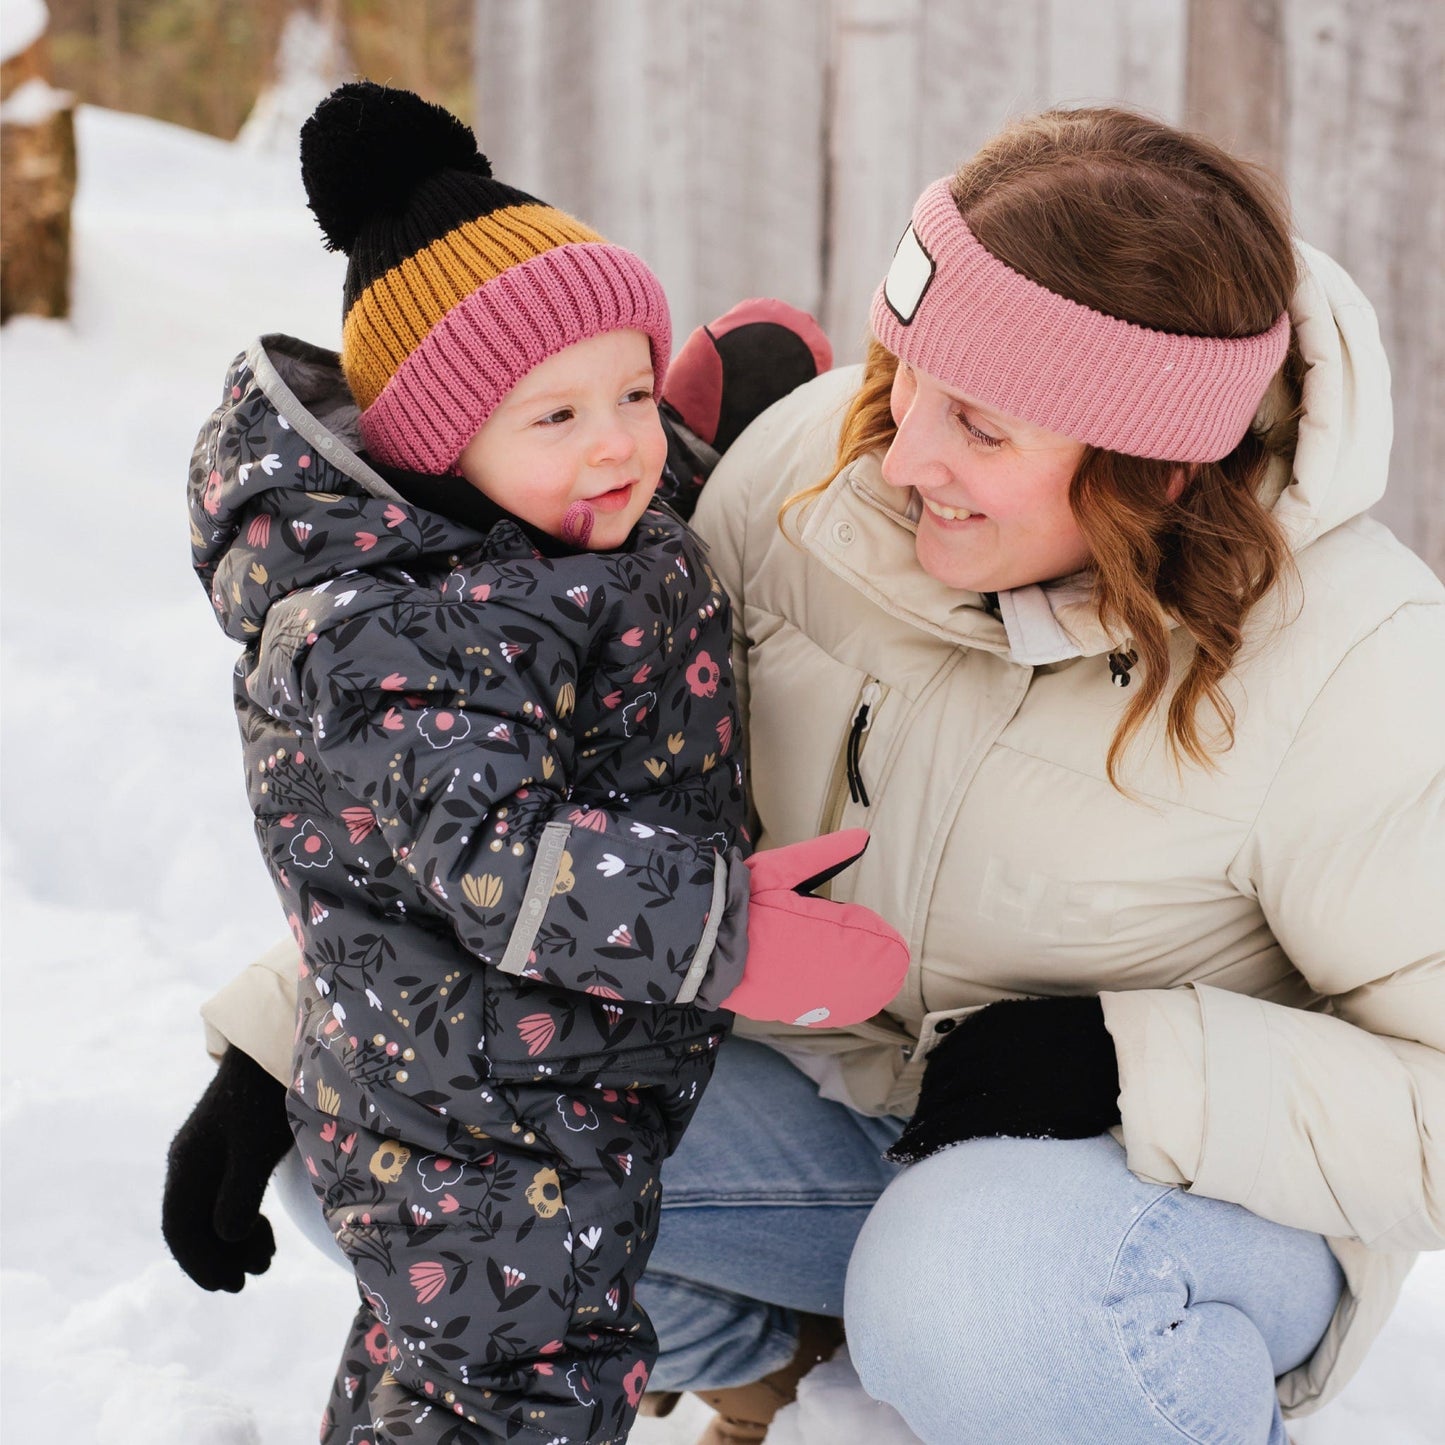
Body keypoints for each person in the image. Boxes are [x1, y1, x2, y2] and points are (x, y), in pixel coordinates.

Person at [171, 102, 1445, 1445]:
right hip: (839, 1121)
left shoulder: (1354, 664)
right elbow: (564, 803)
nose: (901, 456)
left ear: (1148, 461)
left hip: (1145, 1211)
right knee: (385, 1142)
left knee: (982, 1288)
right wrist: (286, 1039)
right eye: (904, 381)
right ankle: (796, 1379)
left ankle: (1044, 1381)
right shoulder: (817, 471)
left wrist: (1137, 1066)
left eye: (981, 429)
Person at [175, 81, 907, 1445]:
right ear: (436, 443)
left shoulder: (536, 538)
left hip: (533, 1067)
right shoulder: (408, 632)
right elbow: (503, 859)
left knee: (433, 1367)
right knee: (520, 1394)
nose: (619, 442)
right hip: (485, 1116)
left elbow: (613, 544)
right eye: (556, 416)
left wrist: (709, 435)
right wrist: (732, 933)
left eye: (630, 390)